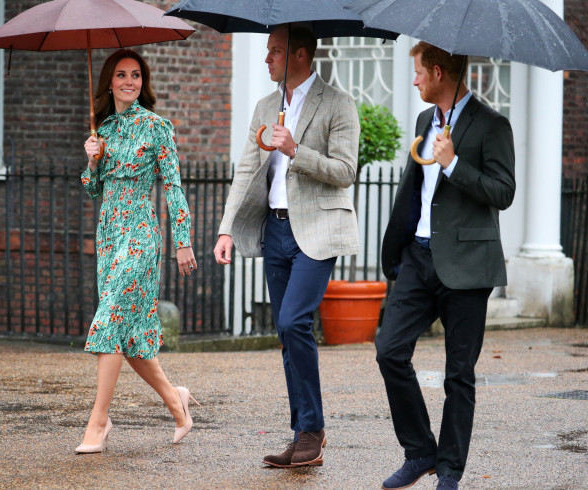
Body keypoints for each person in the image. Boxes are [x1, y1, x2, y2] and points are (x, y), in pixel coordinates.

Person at [213, 24, 360, 468]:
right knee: (284, 332)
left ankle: (313, 429)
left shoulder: (339, 103)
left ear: (299, 55)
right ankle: (302, 434)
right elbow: (245, 171)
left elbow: (346, 171)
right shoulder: (265, 106)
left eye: (274, 51)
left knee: (295, 321)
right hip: (273, 230)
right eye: (267, 51)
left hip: (315, 231)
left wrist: (297, 151)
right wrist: (224, 229)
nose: (267, 59)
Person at [376, 42, 516, 490]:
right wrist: (396, 250)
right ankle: (420, 452)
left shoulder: (493, 125)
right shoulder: (424, 121)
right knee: (389, 351)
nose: (414, 80)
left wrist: (453, 162)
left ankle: (450, 471)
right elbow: (417, 190)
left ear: (438, 72)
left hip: (469, 265)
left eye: (418, 72)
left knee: (459, 374)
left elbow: (504, 192)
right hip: (418, 257)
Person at [76, 49, 199, 454]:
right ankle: (176, 402)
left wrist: (183, 239)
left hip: (141, 236)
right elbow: (94, 191)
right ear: (109, 81)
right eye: (121, 75)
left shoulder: (156, 127)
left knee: (109, 318)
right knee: (129, 338)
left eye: (136, 75)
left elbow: (174, 185)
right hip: (108, 237)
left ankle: (98, 421)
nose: (129, 81)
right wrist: (92, 161)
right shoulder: (103, 130)